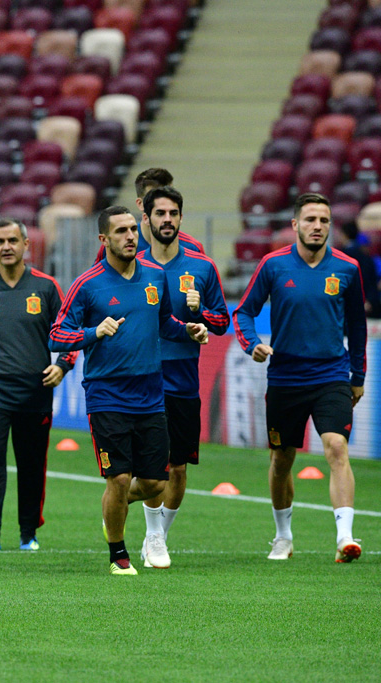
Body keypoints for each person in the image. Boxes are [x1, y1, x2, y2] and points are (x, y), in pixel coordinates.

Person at [50, 206, 208, 575]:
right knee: (119, 477)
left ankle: (114, 509)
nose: (130, 237)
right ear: (104, 239)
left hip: (152, 393)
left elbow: (165, 323)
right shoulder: (88, 284)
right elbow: (57, 334)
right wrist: (93, 333)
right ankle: (118, 554)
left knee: (155, 483)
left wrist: (188, 329)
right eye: (121, 231)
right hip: (107, 394)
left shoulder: (155, 276)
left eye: (133, 230)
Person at [233, 193, 367, 563]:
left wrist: (358, 374)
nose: (318, 226)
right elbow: (243, 313)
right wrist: (252, 346)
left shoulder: (348, 269)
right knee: (282, 458)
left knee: (336, 448)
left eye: (324, 220)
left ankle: (345, 538)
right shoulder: (273, 266)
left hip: (332, 375)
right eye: (310, 220)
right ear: (295, 225)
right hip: (285, 379)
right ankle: (283, 537)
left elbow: (357, 326)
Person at [0, 219, 76, 551]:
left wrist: (63, 365)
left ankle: (28, 533)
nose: (6, 246)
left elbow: (68, 331)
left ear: (26, 245)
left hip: (35, 389)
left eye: (13, 240)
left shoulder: (47, 288)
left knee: (31, 463)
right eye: (0, 241)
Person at [133, 187, 229, 568]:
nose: (167, 220)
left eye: (174, 213)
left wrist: (201, 311)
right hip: (142, 378)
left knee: (178, 467)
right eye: (161, 214)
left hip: (185, 380)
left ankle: (157, 535)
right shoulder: (133, 265)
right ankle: (153, 535)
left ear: (181, 219)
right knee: (151, 467)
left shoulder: (202, 268)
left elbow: (222, 322)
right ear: (149, 220)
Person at [94, 168, 204, 262]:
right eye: (153, 197)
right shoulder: (116, 243)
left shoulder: (193, 248)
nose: (162, 202)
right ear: (140, 204)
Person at [333, 221, 381, 318]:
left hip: (346, 307)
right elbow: (372, 282)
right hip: (369, 305)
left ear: (344, 234)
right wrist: (369, 301)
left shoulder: (340, 257)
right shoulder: (366, 256)